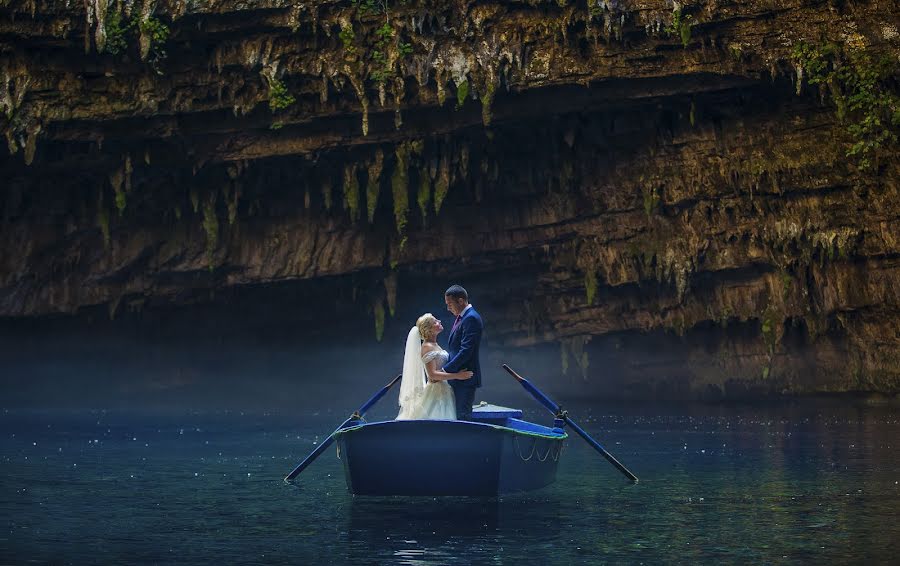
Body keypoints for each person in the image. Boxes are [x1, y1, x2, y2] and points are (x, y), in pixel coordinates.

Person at [396, 313, 473, 420]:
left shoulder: (434, 345)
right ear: (430, 330)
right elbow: (432, 375)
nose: (439, 321)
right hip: (436, 390)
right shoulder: (427, 347)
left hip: (444, 388)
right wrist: (457, 375)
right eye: (435, 322)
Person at [442, 284, 483, 420]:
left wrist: (446, 370)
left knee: (462, 416)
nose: (448, 308)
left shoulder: (471, 318)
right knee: (456, 415)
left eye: (450, 304)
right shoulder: (462, 317)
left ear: (460, 301)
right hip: (457, 377)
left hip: (465, 376)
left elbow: (466, 351)